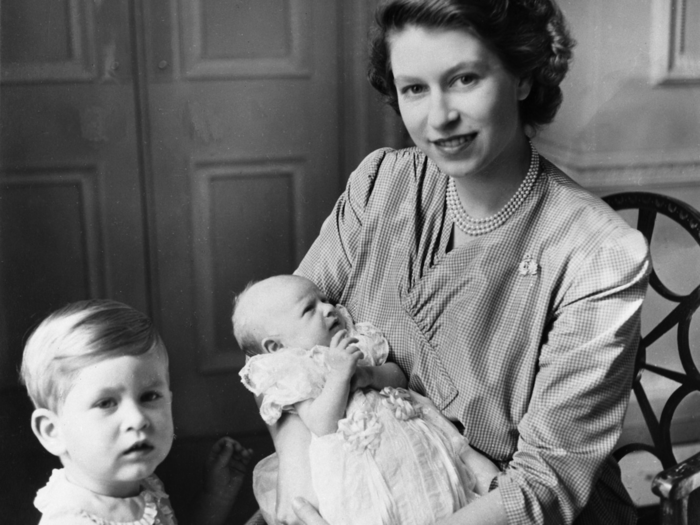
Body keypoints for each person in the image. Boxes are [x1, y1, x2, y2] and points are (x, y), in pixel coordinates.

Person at [276, 1, 651, 524]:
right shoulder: (381, 183)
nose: (439, 117)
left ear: (523, 76)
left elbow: (543, 488)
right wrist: (300, 496)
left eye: (465, 79)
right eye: (414, 88)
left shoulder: (598, 254)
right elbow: (284, 351)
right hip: (362, 495)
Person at [233, 275, 499, 525]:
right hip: (356, 467)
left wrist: (369, 374)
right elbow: (321, 424)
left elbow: (399, 378)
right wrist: (339, 377)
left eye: (324, 299)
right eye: (309, 309)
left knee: (439, 486)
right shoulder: (298, 370)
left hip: (408, 445)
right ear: (276, 348)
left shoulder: (356, 340)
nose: (328, 308)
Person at [20, 299, 253, 525]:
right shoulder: (72, 520)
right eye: (106, 403)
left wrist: (215, 497)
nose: (138, 419)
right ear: (53, 431)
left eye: (149, 397)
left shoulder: (144, 485)